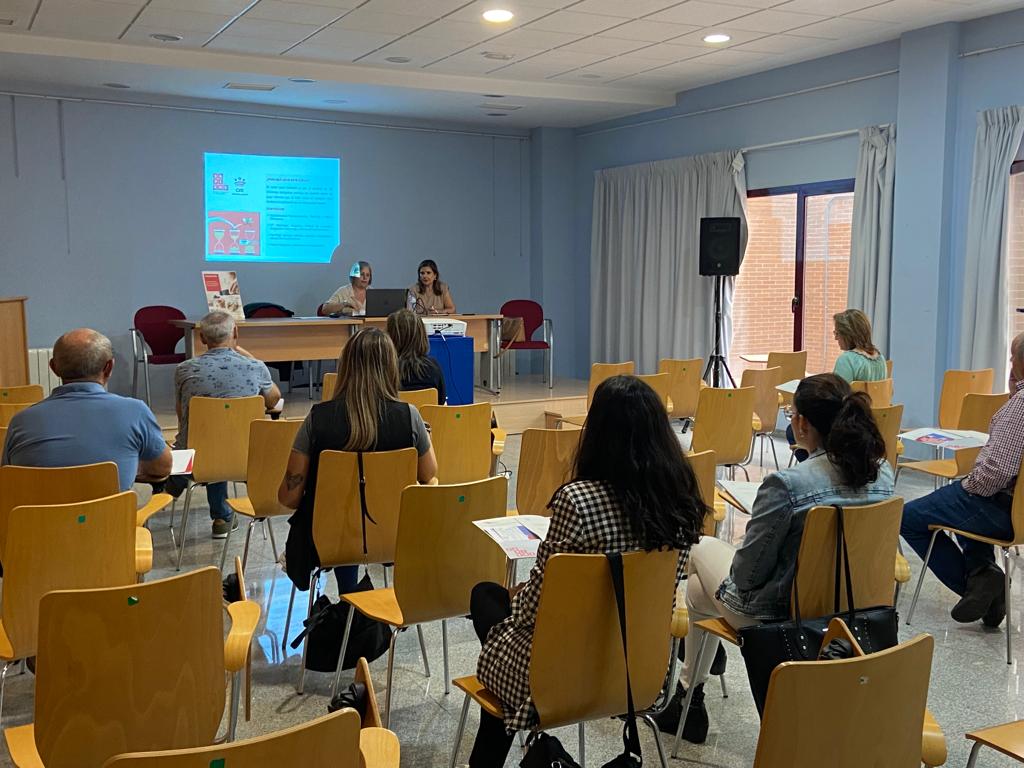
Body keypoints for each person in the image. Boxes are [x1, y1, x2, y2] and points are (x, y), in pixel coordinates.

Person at [467, 375, 707, 767]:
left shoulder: (578, 500)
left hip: (564, 672)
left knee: (486, 598)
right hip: (638, 669)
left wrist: (524, 595)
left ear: (598, 433)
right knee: (491, 599)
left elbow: (534, 612)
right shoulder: (681, 499)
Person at [657, 373, 894, 743]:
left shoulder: (788, 484)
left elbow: (746, 576)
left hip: (781, 617)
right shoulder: (883, 474)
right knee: (699, 593)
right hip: (852, 609)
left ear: (802, 423)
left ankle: (688, 696)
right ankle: (688, 696)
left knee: (701, 549)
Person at [278, 327, 437, 593]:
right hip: (395, 534)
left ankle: (349, 594)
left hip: (328, 539)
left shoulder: (317, 419)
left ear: (346, 366)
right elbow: (429, 474)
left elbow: (288, 498)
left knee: (345, 516)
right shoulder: (409, 417)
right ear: (391, 367)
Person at [900, 332, 1024, 629]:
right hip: (1017, 510)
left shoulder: (1020, 405)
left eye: (1012, 358)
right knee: (961, 507)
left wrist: (968, 486)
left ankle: (982, 590)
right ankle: (984, 574)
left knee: (909, 517)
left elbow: (995, 474)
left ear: (1019, 363)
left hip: (1005, 511)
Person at [1, 328, 171, 491]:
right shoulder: (135, 411)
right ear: (109, 367)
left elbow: (7, 478)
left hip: (39, 511)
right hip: (111, 511)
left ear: (53, 368)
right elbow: (162, 468)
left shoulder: (21, 421)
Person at [168, 311, 281, 539]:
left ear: (202, 338)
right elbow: (274, 400)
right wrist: (245, 354)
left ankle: (176, 488)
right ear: (235, 333)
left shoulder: (185, 369)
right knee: (226, 440)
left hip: (197, 457)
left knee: (209, 440)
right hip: (244, 457)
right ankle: (229, 515)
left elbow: (181, 416)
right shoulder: (255, 367)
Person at [788, 308, 888, 461]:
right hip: (871, 424)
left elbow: (835, 397)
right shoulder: (880, 358)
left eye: (837, 333)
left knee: (794, 429)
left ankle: (818, 466)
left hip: (849, 426)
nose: (835, 338)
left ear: (848, 334)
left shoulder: (847, 359)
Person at [386, 309, 446, 404]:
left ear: (390, 337)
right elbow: (441, 402)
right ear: (422, 335)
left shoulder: (384, 369)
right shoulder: (433, 367)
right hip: (426, 414)